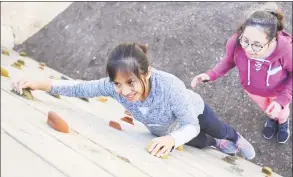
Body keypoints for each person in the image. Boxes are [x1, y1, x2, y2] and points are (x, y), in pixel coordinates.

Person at [12, 43, 255, 160]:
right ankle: (216, 144)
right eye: (117, 84)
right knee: (201, 143)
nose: (125, 91)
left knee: (216, 128)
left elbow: (189, 124)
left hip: (195, 114)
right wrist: (39, 83)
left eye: (131, 83)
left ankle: (233, 138)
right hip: (162, 130)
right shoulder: (115, 87)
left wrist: (173, 138)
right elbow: (79, 87)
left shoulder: (169, 86)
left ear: (147, 73)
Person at [191, 3, 292, 144]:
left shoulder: (285, 51)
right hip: (254, 91)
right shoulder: (236, 43)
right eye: (245, 41)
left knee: (282, 112)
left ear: (272, 40)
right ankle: (271, 118)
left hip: (279, 92)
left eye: (257, 45)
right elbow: (229, 61)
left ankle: (282, 122)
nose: (248, 49)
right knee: (267, 109)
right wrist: (211, 74)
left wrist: (281, 102)